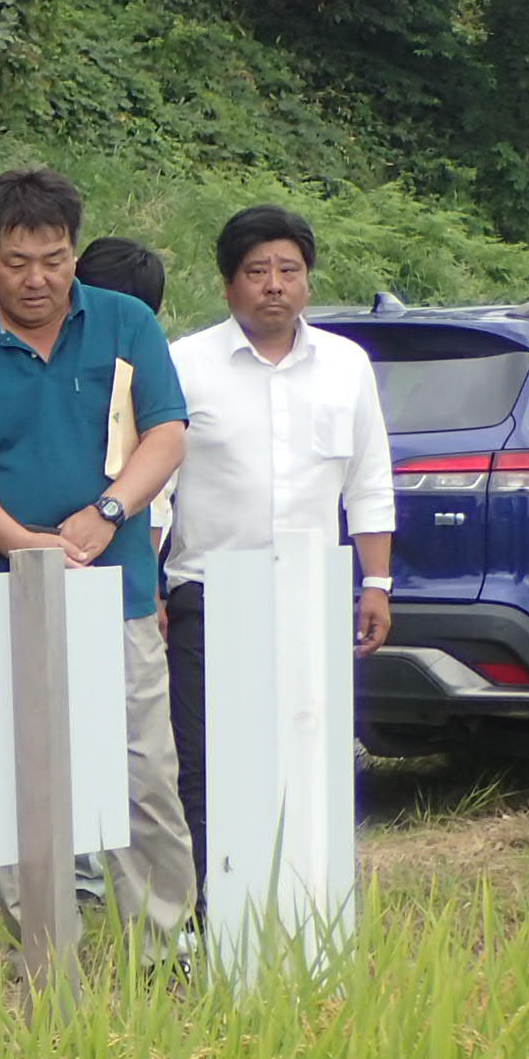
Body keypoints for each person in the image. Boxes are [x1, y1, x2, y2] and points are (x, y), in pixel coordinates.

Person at [0, 167, 193, 952]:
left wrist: (107, 514)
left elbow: (166, 434)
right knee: (8, 780)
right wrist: (22, 541)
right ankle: (42, 944)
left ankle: (165, 946)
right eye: (16, 261)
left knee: (143, 776)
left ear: (74, 251)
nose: (38, 279)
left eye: (56, 259)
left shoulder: (127, 323)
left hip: (116, 583)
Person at [161, 206, 394, 897]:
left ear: (308, 282)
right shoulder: (184, 364)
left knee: (305, 754)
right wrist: (149, 585)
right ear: (229, 284)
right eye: (256, 271)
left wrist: (376, 581)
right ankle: (213, 907)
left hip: (309, 596)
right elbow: (158, 488)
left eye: (288, 270)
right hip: (205, 590)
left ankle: (304, 901)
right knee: (206, 762)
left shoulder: (346, 366)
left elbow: (369, 480)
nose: (273, 285)